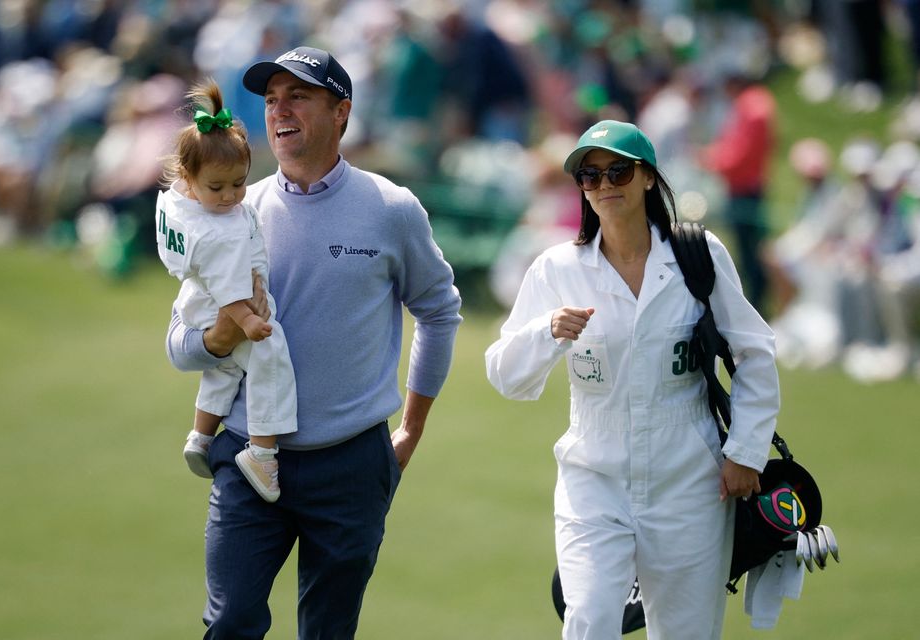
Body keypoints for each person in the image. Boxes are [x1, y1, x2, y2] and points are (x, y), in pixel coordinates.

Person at [165, 46, 462, 639]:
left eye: (298, 96)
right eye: (272, 100)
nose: (280, 111)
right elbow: (179, 346)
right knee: (231, 624)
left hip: (352, 464)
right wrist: (221, 335)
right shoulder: (233, 212)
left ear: (341, 111)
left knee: (328, 631)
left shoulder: (391, 209)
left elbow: (439, 311)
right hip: (249, 458)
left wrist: (412, 427)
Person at [485, 120, 779, 640]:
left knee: (688, 631)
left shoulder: (698, 255)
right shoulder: (557, 268)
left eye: (618, 170)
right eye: (589, 176)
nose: (604, 184)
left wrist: (745, 452)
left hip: (690, 477)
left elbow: (754, 352)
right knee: (590, 621)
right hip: (592, 475)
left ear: (647, 177)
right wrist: (545, 332)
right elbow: (505, 374)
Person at [155, 79, 296, 503]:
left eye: (239, 183)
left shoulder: (178, 201)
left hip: (194, 300)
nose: (232, 196)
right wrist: (251, 321)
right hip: (226, 306)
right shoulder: (220, 235)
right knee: (270, 359)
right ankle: (262, 451)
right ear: (190, 177)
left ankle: (200, 436)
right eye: (217, 188)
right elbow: (233, 290)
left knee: (227, 369)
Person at [700, 70, 776, 313]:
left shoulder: (750, 106)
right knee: (750, 250)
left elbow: (740, 153)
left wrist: (713, 160)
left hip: (744, 187)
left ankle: (757, 305)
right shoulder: (757, 102)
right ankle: (757, 302)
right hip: (749, 184)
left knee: (750, 253)